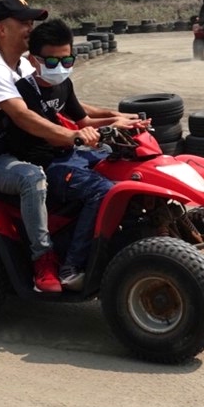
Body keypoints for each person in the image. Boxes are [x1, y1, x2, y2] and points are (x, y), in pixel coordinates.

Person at [11, 18, 142, 289]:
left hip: (71, 154)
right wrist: (79, 136)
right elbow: (55, 131)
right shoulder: (20, 93)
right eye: (51, 62)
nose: (59, 68)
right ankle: (71, 267)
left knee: (126, 165)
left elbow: (84, 123)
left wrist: (120, 122)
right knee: (103, 191)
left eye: (67, 61)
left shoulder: (64, 84)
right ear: (33, 60)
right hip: (43, 166)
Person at [0, 0, 74, 292]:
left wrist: (113, 118)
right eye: (23, 23)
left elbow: (57, 103)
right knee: (31, 177)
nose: (30, 28)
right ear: (1, 30)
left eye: (31, 22)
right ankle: (43, 261)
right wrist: (69, 135)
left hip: (20, 152)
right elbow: (22, 116)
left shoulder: (24, 66)